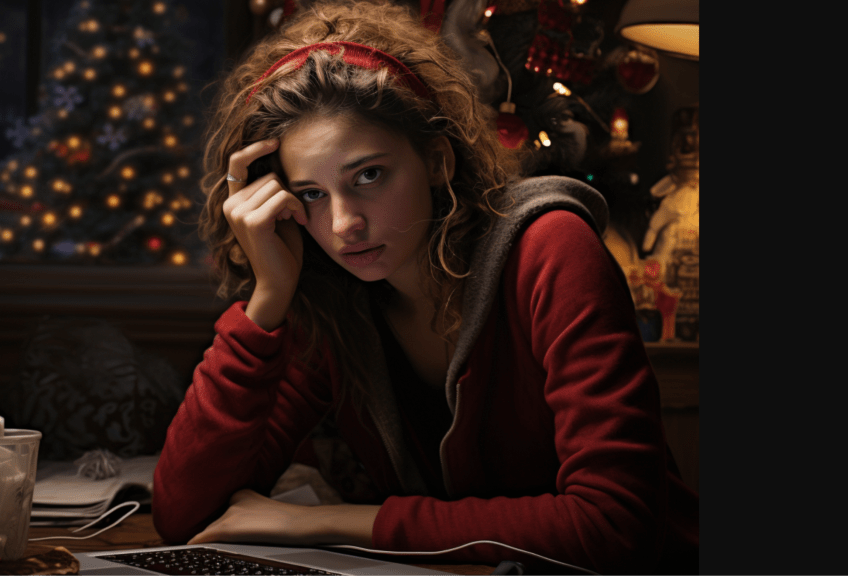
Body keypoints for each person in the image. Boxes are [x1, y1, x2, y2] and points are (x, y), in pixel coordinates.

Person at [152, 1, 699, 573]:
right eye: (311, 193)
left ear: (437, 160)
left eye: (369, 175)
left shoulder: (551, 251)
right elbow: (187, 514)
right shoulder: (333, 298)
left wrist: (329, 521)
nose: (343, 225)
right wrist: (265, 302)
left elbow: (615, 526)